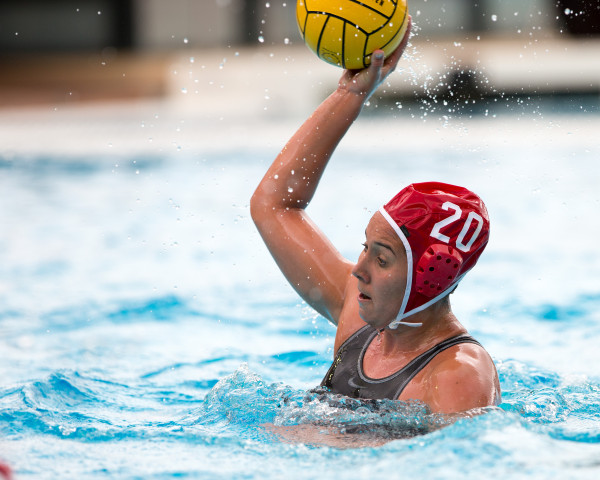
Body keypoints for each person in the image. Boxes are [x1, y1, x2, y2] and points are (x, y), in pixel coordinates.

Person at [250, 18, 500, 415]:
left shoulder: (457, 375)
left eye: (381, 258)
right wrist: (350, 94)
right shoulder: (361, 319)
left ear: (430, 275)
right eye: (365, 249)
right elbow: (274, 204)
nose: (358, 271)